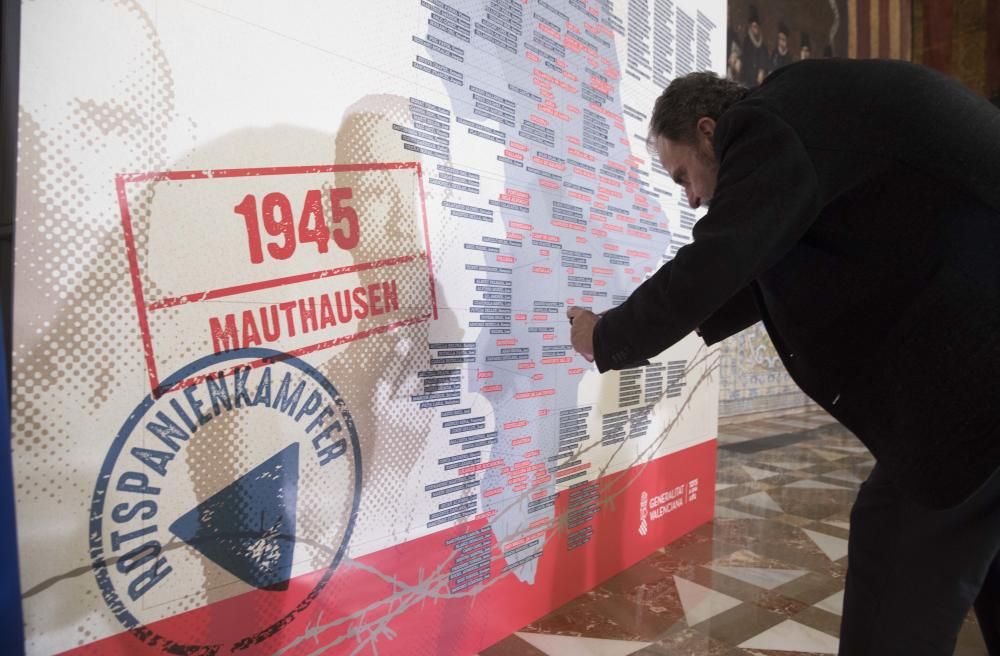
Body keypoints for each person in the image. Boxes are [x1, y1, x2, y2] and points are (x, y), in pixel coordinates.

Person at [567, 61, 1000, 655]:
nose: (692, 199)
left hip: (977, 389)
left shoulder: (767, 122)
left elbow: (725, 255)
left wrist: (605, 336)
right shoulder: (816, 119)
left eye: (682, 176)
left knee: (899, 558)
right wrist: (664, 328)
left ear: (709, 130)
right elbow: (754, 267)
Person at [740, 5, 769, 87]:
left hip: (760, 77)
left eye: (756, 27)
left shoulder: (762, 44)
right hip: (748, 78)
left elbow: (765, 59)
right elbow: (745, 62)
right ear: (750, 27)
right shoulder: (747, 42)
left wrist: (762, 69)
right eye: (753, 27)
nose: (755, 29)